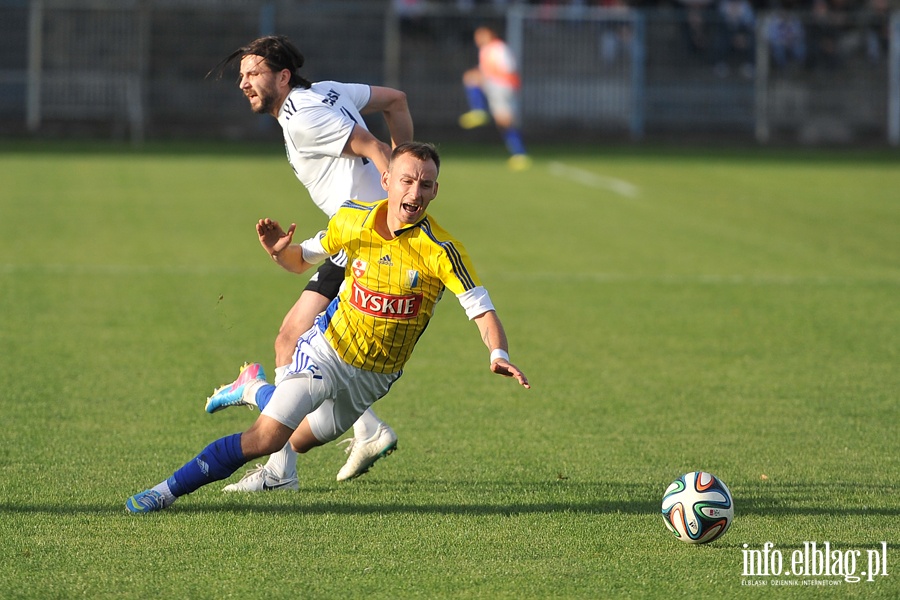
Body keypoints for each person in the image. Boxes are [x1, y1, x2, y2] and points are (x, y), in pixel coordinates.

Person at [126, 142, 530, 514]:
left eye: (425, 184)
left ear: (435, 190)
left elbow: (482, 312)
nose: (415, 191)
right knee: (267, 438)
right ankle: (163, 492)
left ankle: (252, 388)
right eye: (407, 180)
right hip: (326, 350)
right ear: (387, 180)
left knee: (299, 438)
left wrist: (499, 355)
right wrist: (279, 251)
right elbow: (302, 260)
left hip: (374, 378)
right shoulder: (353, 219)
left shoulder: (442, 251)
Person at [205, 35, 414, 491]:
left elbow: (373, 146)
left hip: (366, 241)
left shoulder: (303, 117)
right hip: (357, 238)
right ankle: (364, 430)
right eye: (241, 76)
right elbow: (396, 101)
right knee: (295, 342)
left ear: (282, 76)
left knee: (297, 347)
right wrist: (409, 175)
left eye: (253, 73)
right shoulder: (327, 91)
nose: (244, 83)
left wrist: (402, 188)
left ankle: (281, 469)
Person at [458, 26, 531, 171]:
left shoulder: (498, 48)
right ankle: (519, 154)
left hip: (502, 86)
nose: (477, 40)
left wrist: (487, 76)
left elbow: (508, 69)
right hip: (495, 85)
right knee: (503, 122)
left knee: (506, 121)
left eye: (480, 36)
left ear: (490, 35)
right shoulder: (486, 50)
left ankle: (520, 153)